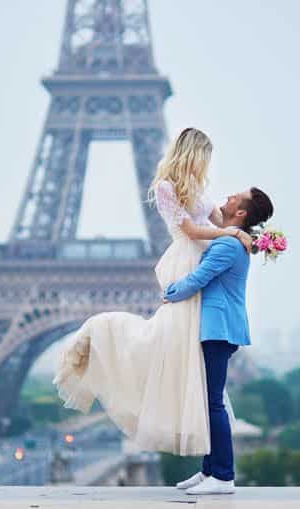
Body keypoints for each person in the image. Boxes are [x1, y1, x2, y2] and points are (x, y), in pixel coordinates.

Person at [51, 127, 253, 456]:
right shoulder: (166, 187)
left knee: (190, 354)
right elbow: (190, 228)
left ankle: (210, 466)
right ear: (193, 153)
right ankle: (103, 337)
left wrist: (245, 234)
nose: (207, 165)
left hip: (203, 254)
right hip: (187, 256)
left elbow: (220, 220)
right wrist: (229, 233)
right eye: (205, 157)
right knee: (172, 337)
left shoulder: (199, 189)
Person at [167, 186, 274, 495]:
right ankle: (209, 471)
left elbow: (199, 278)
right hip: (219, 328)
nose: (226, 198)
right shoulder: (231, 239)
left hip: (219, 329)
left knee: (213, 402)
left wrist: (169, 293)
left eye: (233, 198)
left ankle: (223, 476)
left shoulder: (227, 245)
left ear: (240, 213)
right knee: (209, 401)